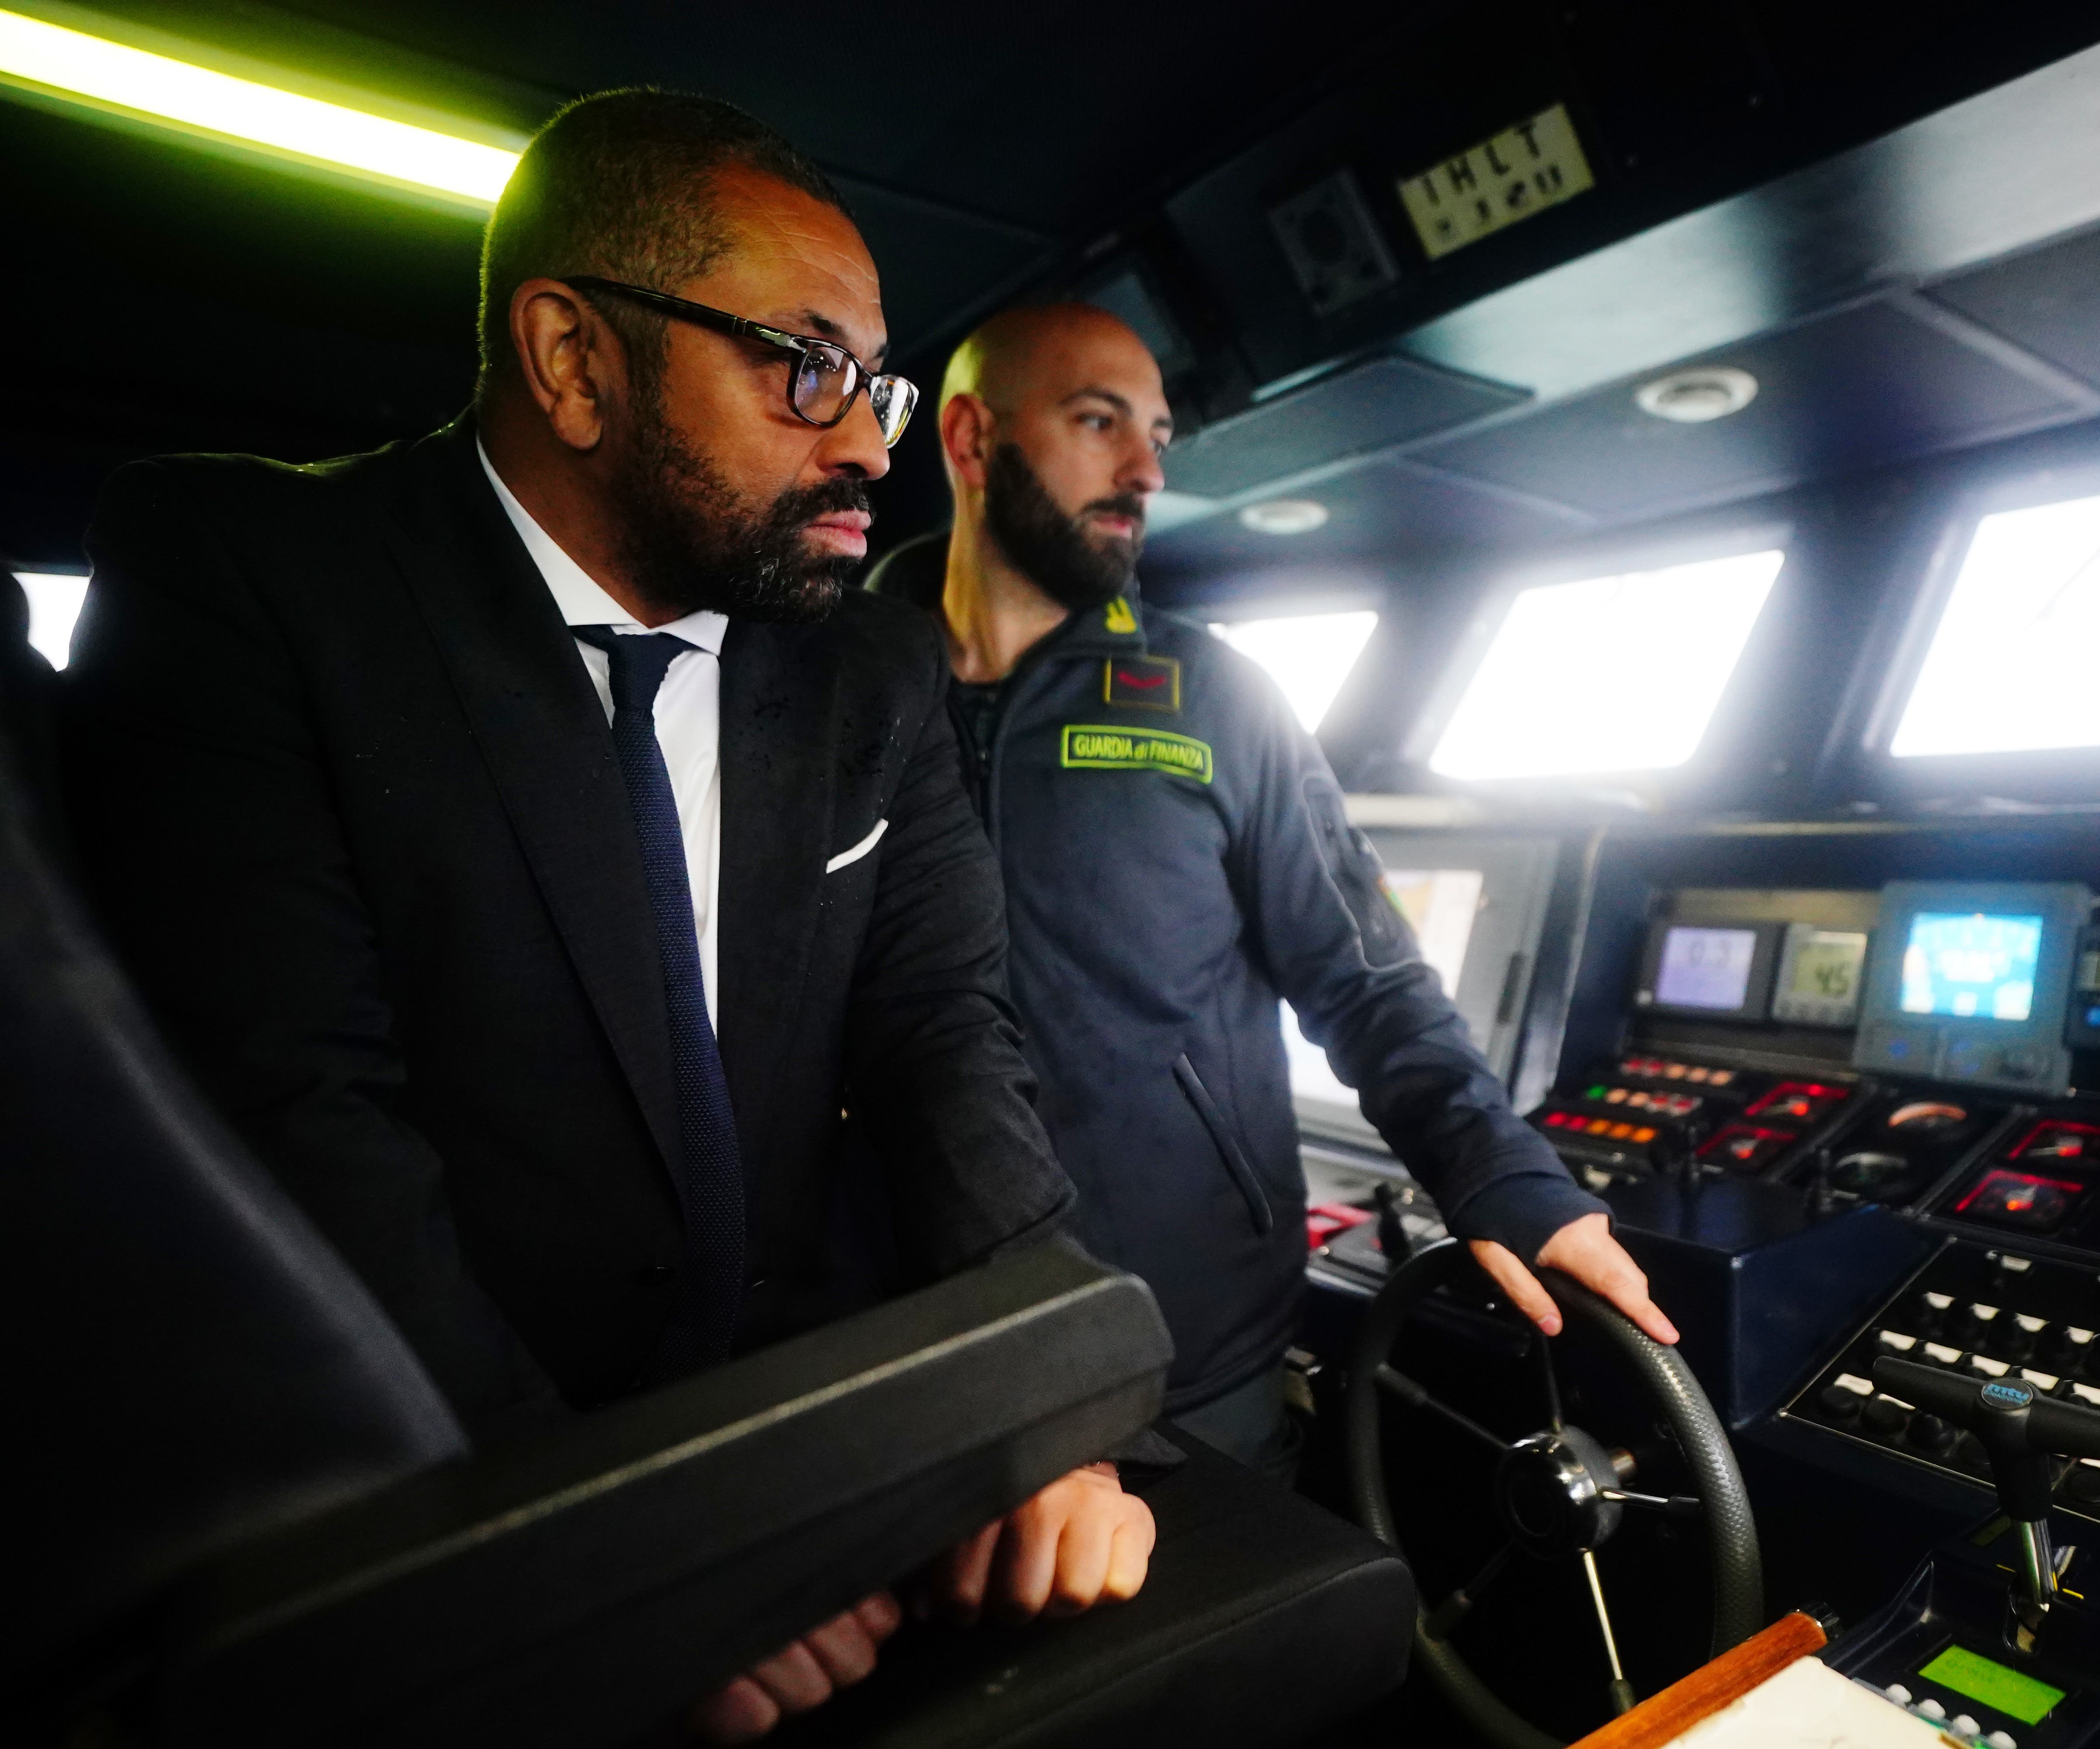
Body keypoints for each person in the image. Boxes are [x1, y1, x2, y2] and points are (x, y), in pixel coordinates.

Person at [59, 92, 1149, 1743]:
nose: (866, 441)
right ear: (574, 359)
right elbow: (289, 1114)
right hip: (443, 1515)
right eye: (804, 364)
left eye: (879, 381)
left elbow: (942, 1041)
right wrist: (598, 1567)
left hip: (800, 1436)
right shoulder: (253, 577)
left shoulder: (868, 666)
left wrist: (1056, 1391)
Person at [868, 305, 1678, 1473]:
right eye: (1099, 423)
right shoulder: (843, 686)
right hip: (914, 1340)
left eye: (1155, 434)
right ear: (967, 438)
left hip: (1185, 1345)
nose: (1146, 470)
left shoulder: (1215, 696)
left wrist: (1503, 1177)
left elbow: (1368, 979)